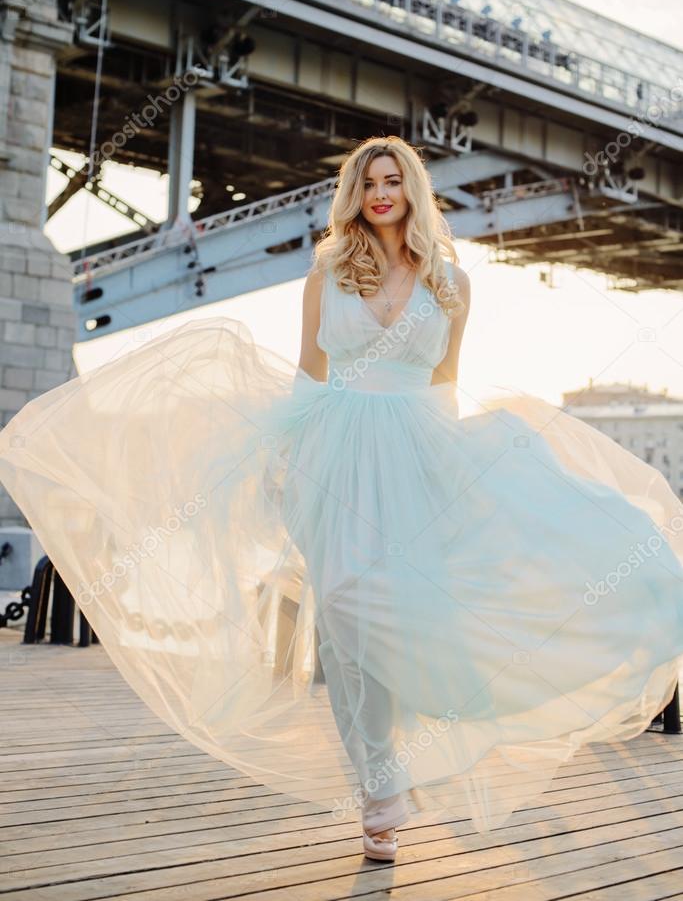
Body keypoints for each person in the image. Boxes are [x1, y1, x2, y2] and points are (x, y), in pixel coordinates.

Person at [1, 135, 682, 864]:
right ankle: (379, 786)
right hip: (340, 457)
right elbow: (307, 376)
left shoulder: (451, 279)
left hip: (422, 454)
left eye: (392, 180)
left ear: (412, 190)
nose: (380, 193)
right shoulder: (328, 270)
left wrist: (457, 475)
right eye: (367, 183)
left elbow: (443, 383)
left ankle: (414, 761)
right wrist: (286, 459)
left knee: (412, 616)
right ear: (353, 194)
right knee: (349, 620)